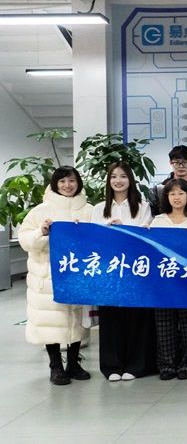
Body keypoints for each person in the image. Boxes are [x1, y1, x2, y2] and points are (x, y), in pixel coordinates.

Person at [19, 166, 94, 385]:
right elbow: (25, 240)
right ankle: (55, 365)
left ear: (78, 183)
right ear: (55, 184)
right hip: (48, 277)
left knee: (77, 319)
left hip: (78, 275)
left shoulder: (89, 210)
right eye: (62, 181)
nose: (67, 185)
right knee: (51, 321)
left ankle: (74, 363)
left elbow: (98, 240)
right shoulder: (40, 211)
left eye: (71, 180)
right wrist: (41, 232)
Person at [90, 162, 156, 382]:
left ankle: (137, 365)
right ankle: (112, 366)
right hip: (109, 273)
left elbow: (145, 237)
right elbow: (91, 240)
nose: (118, 181)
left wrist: (124, 228)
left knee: (137, 319)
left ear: (130, 180)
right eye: (114, 177)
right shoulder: (98, 209)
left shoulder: (143, 206)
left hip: (136, 272)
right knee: (111, 319)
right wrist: (107, 230)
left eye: (123, 176)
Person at [149, 179, 187, 380]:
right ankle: (167, 365)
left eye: (181, 193)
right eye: (172, 193)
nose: (176, 197)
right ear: (166, 197)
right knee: (164, 324)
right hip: (164, 281)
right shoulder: (157, 221)